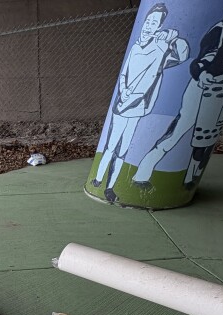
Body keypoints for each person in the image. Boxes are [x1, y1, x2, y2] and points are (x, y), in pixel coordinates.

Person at [132, 0, 223, 189]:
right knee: (178, 131)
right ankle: (141, 174)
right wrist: (203, 73)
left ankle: (189, 180)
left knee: (206, 136)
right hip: (201, 87)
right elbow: (202, 57)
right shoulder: (222, 28)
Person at [92, 3, 189, 202]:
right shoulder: (136, 46)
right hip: (123, 103)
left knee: (123, 149)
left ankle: (110, 187)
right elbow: (125, 73)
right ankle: (98, 179)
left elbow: (182, 56)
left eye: (154, 22)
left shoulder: (161, 48)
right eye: (148, 20)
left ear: (159, 27)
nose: (149, 25)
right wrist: (124, 92)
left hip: (139, 106)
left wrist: (175, 37)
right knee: (111, 145)